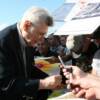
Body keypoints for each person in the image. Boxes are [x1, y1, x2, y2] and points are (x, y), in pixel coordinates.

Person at [0, 6, 62, 100]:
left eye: (44, 35)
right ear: (26, 25)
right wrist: (44, 83)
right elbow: (5, 83)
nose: (42, 40)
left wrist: (51, 79)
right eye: (40, 34)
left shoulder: (28, 40)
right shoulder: (3, 42)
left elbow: (29, 69)